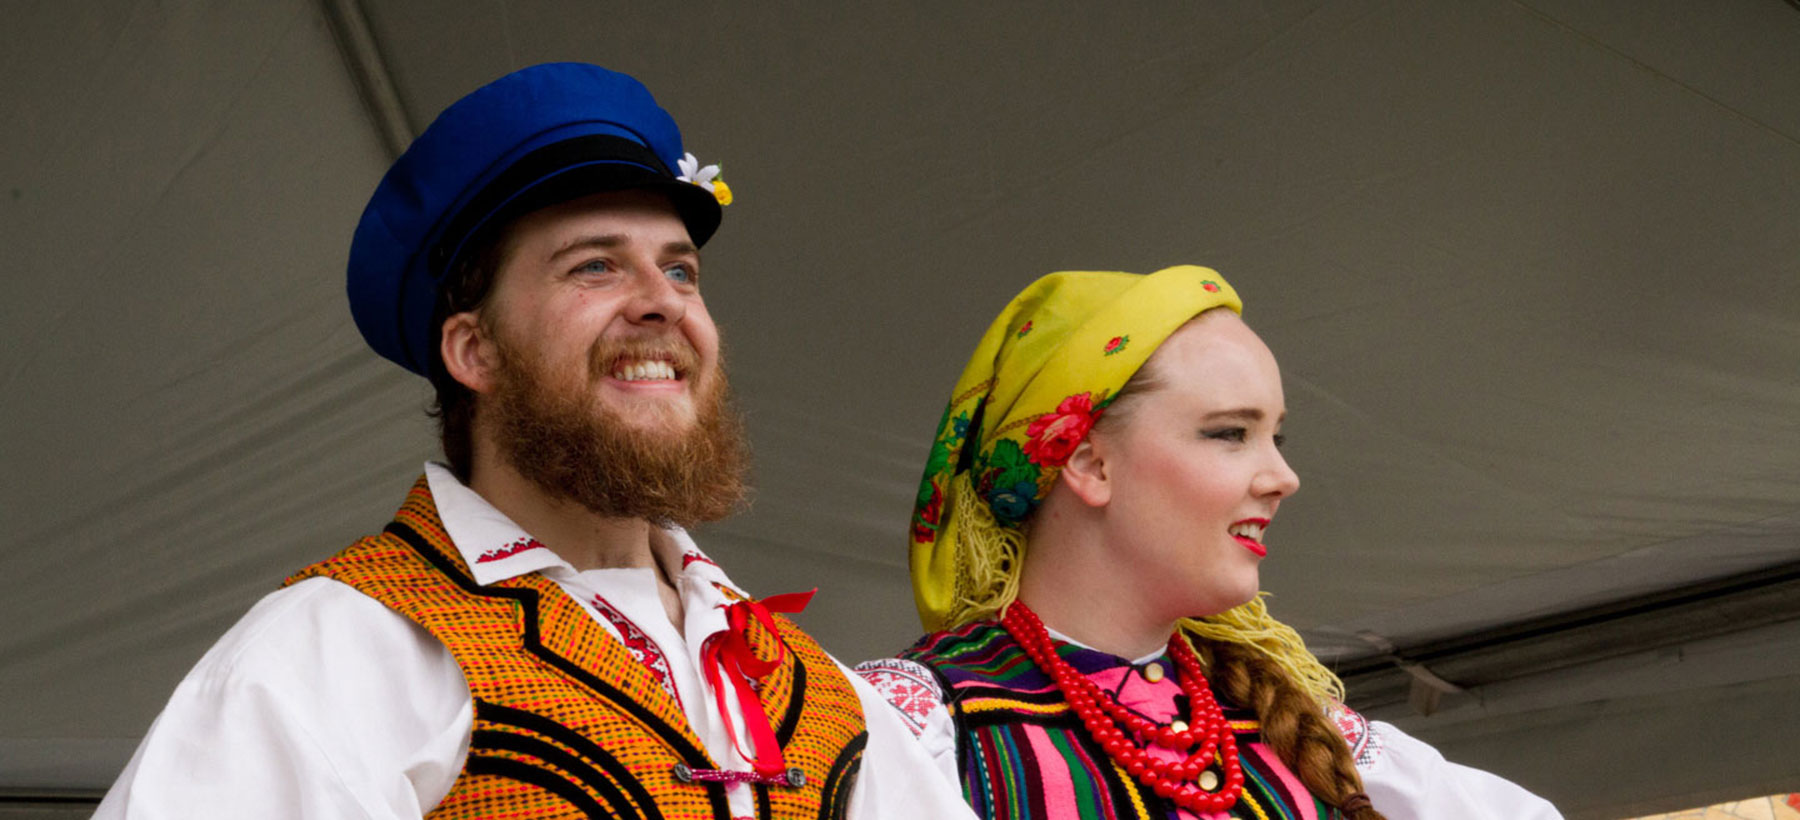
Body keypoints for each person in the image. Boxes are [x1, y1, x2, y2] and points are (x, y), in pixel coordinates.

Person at [96, 63, 972, 820]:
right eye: (595, 264)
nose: (661, 299)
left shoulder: (818, 689)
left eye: (680, 270)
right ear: (474, 350)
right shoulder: (339, 653)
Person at [854, 266, 1562, 819]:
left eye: (1275, 437)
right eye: (1229, 433)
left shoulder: (1305, 734)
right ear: (1087, 462)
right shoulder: (912, 726)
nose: (1283, 477)